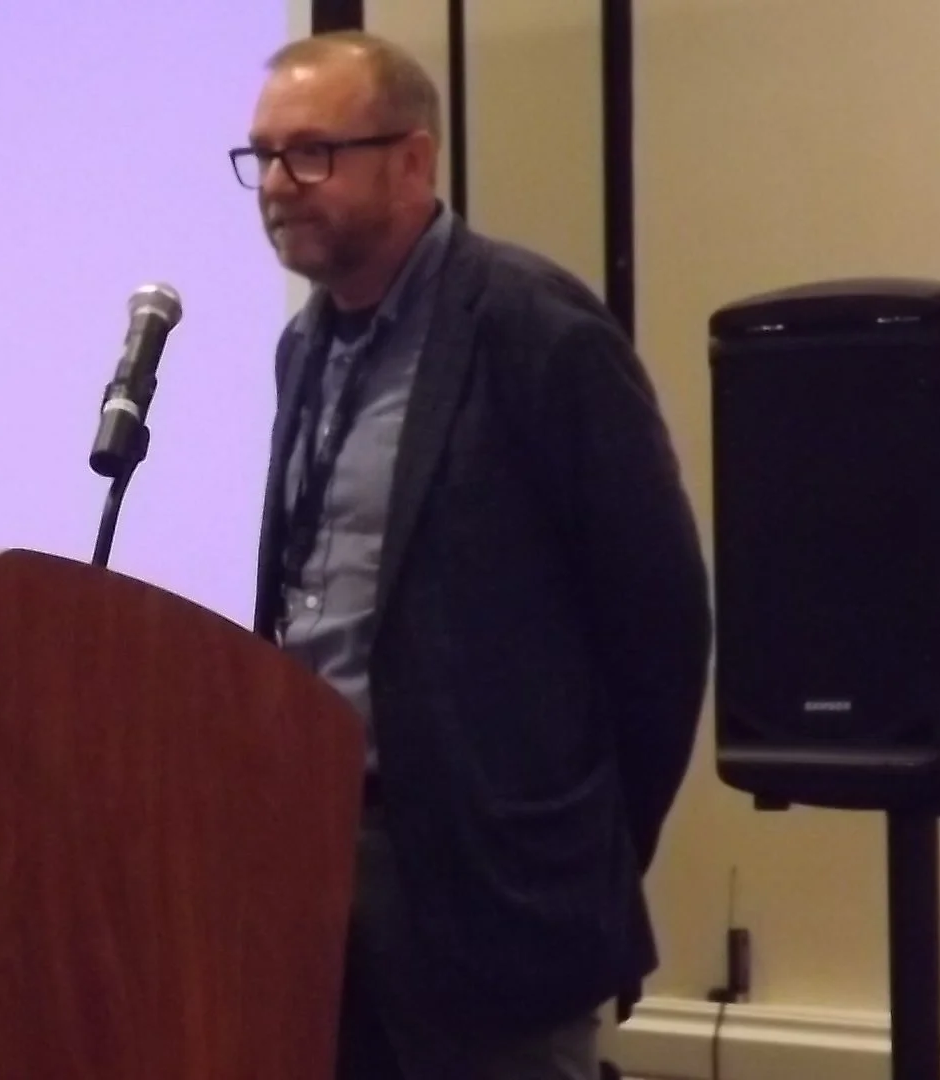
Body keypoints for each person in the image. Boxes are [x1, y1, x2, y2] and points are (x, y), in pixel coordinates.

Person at [235, 30, 714, 1080]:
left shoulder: (534, 330)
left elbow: (661, 622)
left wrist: (582, 843)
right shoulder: (304, 347)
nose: (277, 184)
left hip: (495, 886)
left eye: (310, 153)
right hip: (320, 869)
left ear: (413, 160)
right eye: (262, 156)